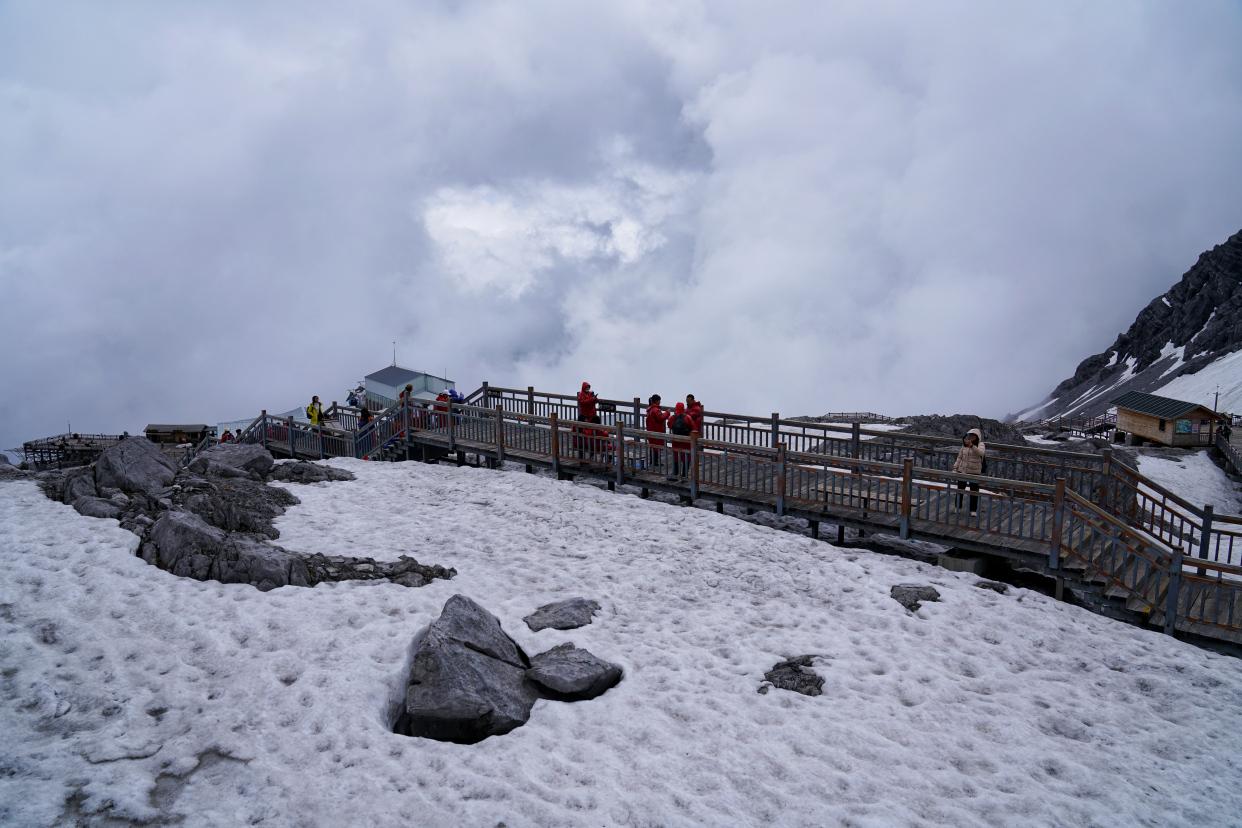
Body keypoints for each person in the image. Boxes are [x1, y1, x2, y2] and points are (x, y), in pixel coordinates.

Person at [952, 428, 986, 514]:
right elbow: (959, 457)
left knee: (974, 491)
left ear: (977, 437)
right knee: (960, 490)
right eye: (970, 435)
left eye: (973, 435)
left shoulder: (981, 444)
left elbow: (981, 453)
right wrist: (955, 468)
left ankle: (973, 510)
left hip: (974, 472)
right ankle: (957, 507)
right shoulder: (964, 444)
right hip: (962, 470)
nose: (971, 437)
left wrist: (972, 446)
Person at [668, 402, 695, 478]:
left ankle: (676, 473)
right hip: (686, 441)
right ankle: (684, 475)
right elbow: (693, 427)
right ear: (683, 408)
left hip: (676, 440)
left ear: (676, 408)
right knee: (686, 457)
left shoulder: (672, 417)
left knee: (676, 457)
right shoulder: (688, 417)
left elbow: (669, 425)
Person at [646, 394, 669, 468]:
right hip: (656, 430)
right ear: (656, 401)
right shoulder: (655, 409)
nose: (660, 402)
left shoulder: (650, 409)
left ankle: (652, 461)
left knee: (653, 446)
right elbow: (660, 418)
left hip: (651, 429)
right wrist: (667, 413)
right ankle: (655, 462)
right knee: (656, 447)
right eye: (659, 400)